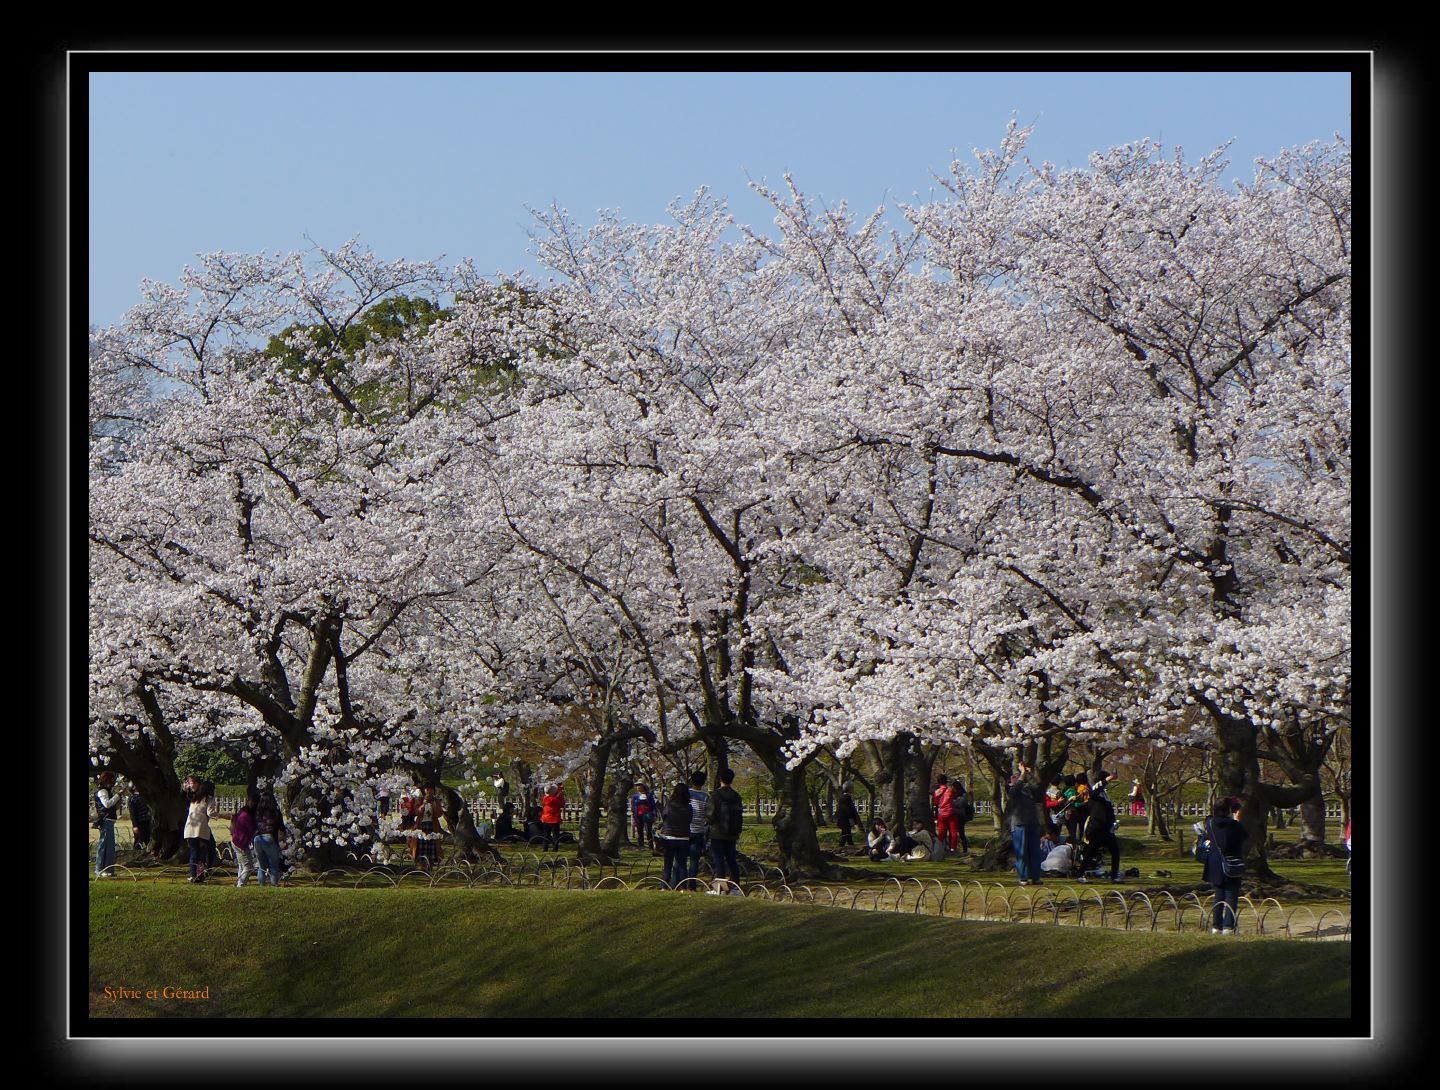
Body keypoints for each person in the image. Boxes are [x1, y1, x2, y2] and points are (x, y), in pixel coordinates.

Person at [1203, 796, 1249, 934]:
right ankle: (1228, 926)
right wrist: (1237, 819)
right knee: (1231, 895)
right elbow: (1244, 837)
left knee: (1219, 895)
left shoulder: (1210, 822)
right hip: (1231, 863)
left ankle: (1216, 926)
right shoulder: (1234, 825)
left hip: (1215, 864)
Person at [704, 768, 745, 890]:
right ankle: (736, 885)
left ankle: (720, 888)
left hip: (717, 832)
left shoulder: (716, 795)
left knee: (719, 859)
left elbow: (710, 814)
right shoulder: (736, 796)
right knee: (732, 858)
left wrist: (709, 822)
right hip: (732, 832)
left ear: (720, 779)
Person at [1077, 771, 1121, 883]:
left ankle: (1114, 876)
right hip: (1096, 827)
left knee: (1115, 851)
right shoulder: (1094, 792)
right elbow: (1094, 791)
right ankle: (1080, 874)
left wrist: (1114, 822)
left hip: (1107, 828)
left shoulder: (1105, 795)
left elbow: (1109, 812)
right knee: (1091, 852)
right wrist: (1109, 779)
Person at [1008, 760, 1045, 885]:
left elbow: (1040, 786)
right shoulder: (1012, 790)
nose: (1016, 778)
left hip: (1033, 823)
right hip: (1019, 824)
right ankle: (1023, 877)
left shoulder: (1028, 789)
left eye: (1016, 776)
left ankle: (1035, 876)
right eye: (1013, 777)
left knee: (1035, 851)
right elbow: (1017, 787)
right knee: (1022, 852)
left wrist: (1032, 774)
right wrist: (1022, 774)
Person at [182, 777, 219, 883]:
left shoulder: (195, 798)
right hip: (200, 830)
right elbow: (210, 813)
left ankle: (195, 874)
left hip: (189, 829)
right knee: (211, 847)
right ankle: (207, 869)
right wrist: (220, 815)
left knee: (195, 852)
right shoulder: (208, 798)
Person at [656, 782, 693, 889]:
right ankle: (682, 887)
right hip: (684, 838)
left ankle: (664, 886)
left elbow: (664, 817)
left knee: (668, 865)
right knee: (682, 865)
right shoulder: (689, 807)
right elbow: (689, 820)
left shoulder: (669, 805)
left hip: (669, 838)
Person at [253, 789, 285, 887]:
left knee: (261, 866)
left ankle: (261, 885)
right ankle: (274, 885)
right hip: (269, 838)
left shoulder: (257, 812)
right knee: (273, 866)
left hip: (257, 839)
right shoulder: (275, 812)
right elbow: (282, 827)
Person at [93, 772, 121, 878]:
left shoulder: (106, 791)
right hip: (105, 820)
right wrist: (118, 796)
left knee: (110, 846)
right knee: (104, 845)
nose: (111, 784)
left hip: (109, 819)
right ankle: (100, 868)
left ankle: (109, 868)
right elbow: (107, 804)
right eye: (110, 782)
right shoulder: (102, 791)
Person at [686, 770, 710, 888]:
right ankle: (692, 884)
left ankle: (679, 883)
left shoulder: (686, 793)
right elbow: (707, 815)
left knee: (680, 859)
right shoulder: (705, 796)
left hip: (685, 830)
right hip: (699, 830)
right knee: (694, 860)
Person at [415, 782, 446, 868]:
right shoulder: (420, 799)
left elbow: (439, 814)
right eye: (427, 789)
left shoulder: (436, 801)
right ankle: (422, 865)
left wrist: (434, 805)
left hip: (432, 825)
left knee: (432, 846)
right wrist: (423, 804)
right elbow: (417, 812)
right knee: (421, 846)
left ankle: (431, 865)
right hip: (421, 825)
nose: (429, 791)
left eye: (431, 789)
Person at [230, 794, 257, 887]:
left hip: (236, 841)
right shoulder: (247, 816)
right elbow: (252, 829)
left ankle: (239, 883)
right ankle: (241, 884)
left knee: (242, 865)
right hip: (241, 843)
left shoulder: (243, 812)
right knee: (248, 866)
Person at [932, 774, 959, 854]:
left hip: (942, 813)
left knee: (942, 832)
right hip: (951, 812)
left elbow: (936, 803)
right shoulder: (950, 790)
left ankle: (940, 848)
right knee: (953, 832)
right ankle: (953, 848)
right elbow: (955, 797)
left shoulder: (937, 792)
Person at [540, 783, 565, 852]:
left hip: (546, 819)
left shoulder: (545, 798)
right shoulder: (555, 799)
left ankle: (545, 847)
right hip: (554, 819)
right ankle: (555, 848)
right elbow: (562, 804)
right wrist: (560, 793)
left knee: (546, 835)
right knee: (555, 835)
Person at [631, 782, 657, 849]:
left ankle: (650, 846)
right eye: (637, 786)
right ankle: (641, 845)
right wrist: (634, 816)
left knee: (648, 830)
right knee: (639, 830)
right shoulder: (635, 796)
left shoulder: (649, 795)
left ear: (643, 786)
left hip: (647, 815)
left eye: (639, 785)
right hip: (638, 815)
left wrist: (654, 815)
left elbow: (653, 806)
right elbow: (633, 807)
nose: (638, 787)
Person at [127, 787, 152, 852]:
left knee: (148, 840)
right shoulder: (133, 798)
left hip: (147, 821)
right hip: (140, 823)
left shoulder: (144, 796)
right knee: (139, 840)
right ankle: (136, 854)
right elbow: (133, 813)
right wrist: (135, 825)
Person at [952, 781, 972, 854]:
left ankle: (965, 848)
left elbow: (960, 804)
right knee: (953, 832)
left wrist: (952, 802)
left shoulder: (964, 795)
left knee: (961, 832)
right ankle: (954, 847)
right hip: (953, 815)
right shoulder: (953, 795)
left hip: (960, 816)